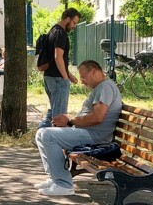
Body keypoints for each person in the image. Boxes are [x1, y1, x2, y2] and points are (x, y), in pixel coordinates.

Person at [35, 60, 122, 196]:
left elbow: (97, 117)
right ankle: (54, 177)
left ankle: (64, 184)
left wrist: (70, 121)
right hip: (88, 132)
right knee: (40, 133)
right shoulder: (102, 87)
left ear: (94, 71)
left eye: (83, 77)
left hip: (95, 137)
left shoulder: (105, 87)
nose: (82, 81)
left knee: (48, 135)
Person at [38, 8, 80, 129]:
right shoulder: (61, 33)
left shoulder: (52, 31)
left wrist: (69, 75)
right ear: (67, 19)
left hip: (49, 77)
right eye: (74, 23)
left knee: (53, 112)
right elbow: (58, 57)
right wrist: (65, 78)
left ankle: (39, 136)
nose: (74, 26)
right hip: (58, 79)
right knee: (59, 117)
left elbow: (54, 59)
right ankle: (51, 141)